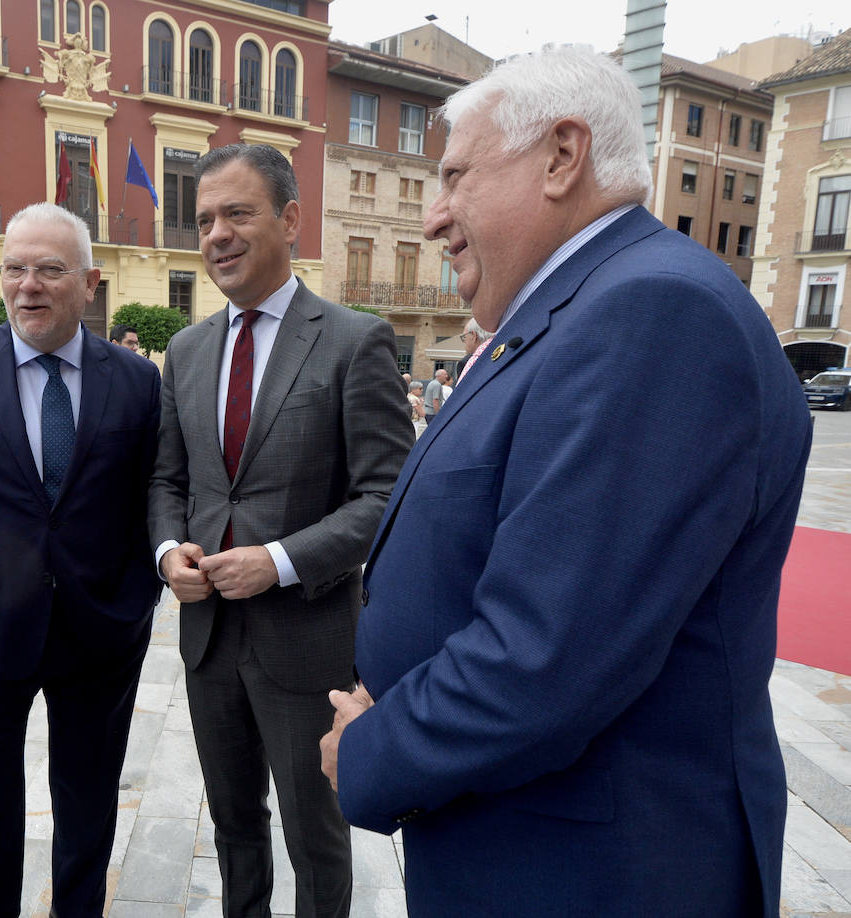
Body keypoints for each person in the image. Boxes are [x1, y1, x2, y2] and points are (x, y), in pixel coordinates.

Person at [320, 48, 811, 916]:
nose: (434, 218)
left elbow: (544, 656)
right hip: (525, 849)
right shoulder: (577, 309)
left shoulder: (654, 311)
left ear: (561, 155)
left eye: (456, 177)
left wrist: (372, 751)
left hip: (588, 875)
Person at [149, 143, 414, 917]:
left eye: (237, 213)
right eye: (205, 219)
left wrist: (279, 560)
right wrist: (168, 553)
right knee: (234, 829)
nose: (217, 235)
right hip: (208, 641)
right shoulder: (186, 350)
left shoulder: (354, 340)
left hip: (307, 645)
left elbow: (388, 495)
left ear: (290, 219)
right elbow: (168, 482)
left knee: (315, 838)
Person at [0, 203, 161, 916]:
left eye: (50, 269)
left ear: (90, 283)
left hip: (101, 629)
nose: (29, 285)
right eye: (16, 268)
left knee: (89, 798)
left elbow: (155, 491)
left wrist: (141, 591)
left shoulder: (137, 380)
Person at [454, 316, 491, 383]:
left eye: (464, 337)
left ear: (474, 336)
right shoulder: (499, 356)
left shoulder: (468, 362)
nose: (464, 342)